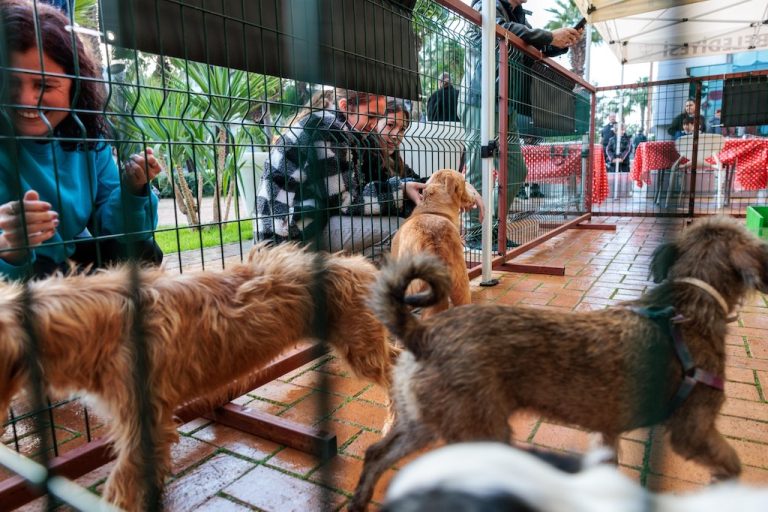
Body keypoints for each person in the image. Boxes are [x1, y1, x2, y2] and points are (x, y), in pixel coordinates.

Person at [0, 0, 162, 281]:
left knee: (144, 251)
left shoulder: (88, 138)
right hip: (15, 274)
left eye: (44, 84)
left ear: (75, 86)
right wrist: (11, 245)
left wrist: (132, 190)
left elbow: (115, 231)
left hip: (65, 264)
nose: (26, 99)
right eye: (10, 83)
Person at [459, 0, 581, 249]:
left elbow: (528, 44)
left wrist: (559, 42)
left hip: (506, 103)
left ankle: (489, 225)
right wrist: (549, 35)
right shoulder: (487, 4)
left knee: (515, 171)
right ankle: (474, 232)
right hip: (479, 98)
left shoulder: (517, 14)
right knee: (477, 169)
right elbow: (500, 29)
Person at [255, 90, 427, 258]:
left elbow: (345, 196)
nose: (375, 124)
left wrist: (401, 189)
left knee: (385, 240)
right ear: (345, 106)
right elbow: (347, 202)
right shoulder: (328, 132)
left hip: (302, 222)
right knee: (398, 229)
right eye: (371, 116)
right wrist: (401, 190)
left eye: (378, 117)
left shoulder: (341, 130)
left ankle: (352, 280)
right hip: (282, 237)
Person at [362, 100, 424, 218]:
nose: (396, 135)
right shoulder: (367, 155)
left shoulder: (395, 159)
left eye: (402, 129)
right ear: (374, 124)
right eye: (390, 125)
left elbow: (417, 181)